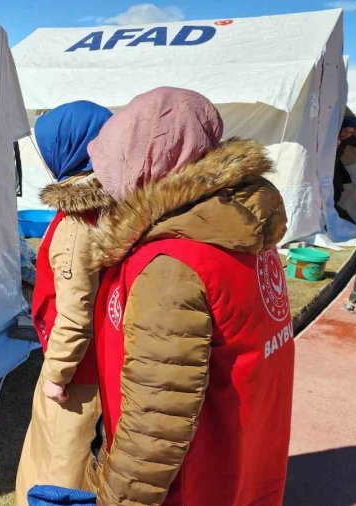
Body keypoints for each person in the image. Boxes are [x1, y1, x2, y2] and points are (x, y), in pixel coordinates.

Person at [82, 88, 294, 505]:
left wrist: (117, 499)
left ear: (143, 161)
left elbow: (155, 419)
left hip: (194, 479)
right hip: (245, 456)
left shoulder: (171, 264)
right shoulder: (241, 229)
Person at [15, 100, 114, 505]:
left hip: (79, 372)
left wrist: (57, 373)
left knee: (59, 468)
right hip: (101, 360)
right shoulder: (112, 205)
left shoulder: (77, 222)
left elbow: (75, 313)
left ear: (69, 147)